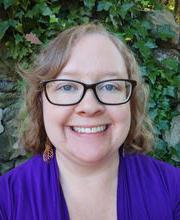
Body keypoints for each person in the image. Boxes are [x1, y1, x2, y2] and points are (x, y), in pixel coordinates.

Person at [0, 23, 179, 220]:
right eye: (67, 87)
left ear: (131, 100)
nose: (90, 106)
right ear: (40, 100)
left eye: (110, 86)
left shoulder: (173, 191)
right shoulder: (6, 202)